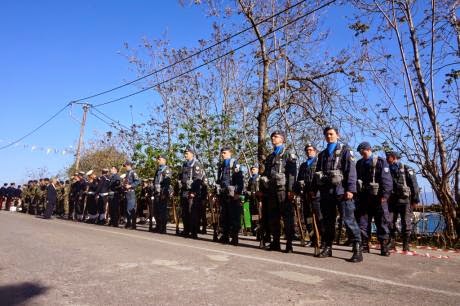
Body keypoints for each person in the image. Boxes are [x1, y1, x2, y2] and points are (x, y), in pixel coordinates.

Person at [314, 126, 362, 262]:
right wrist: (314, 189)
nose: (329, 136)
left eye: (331, 134)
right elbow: (318, 173)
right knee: (328, 221)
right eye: (326, 135)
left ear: (337, 135)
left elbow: (351, 172)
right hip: (326, 193)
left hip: (342, 191)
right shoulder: (322, 154)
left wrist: (351, 190)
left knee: (348, 220)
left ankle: (358, 248)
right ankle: (328, 247)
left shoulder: (346, 151)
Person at [260, 130, 297, 253]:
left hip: (283, 189)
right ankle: (275, 242)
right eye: (272, 137)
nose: (273, 139)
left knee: (287, 217)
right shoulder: (270, 156)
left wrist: (291, 190)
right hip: (271, 190)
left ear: (282, 139)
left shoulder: (287, 153)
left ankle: (289, 243)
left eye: (276, 137)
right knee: (273, 217)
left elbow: (292, 173)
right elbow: (265, 173)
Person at [355, 142, 393, 256]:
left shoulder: (380, 161)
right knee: (363, 222)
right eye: (361, 152)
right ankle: (365, 245)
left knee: (381, 221)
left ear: (369, 149)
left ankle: (384, 246)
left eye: (364, 150)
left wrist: (385, 196)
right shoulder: (359, 163)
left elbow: (387, 180)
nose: (362, 153)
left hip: (378, 198)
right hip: (364, 198)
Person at [386, 151, 420, 251]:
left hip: (405, 201)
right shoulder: (387, 169)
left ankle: (406, 244)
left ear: (393, 157)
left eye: (388, 157)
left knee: (406, 222)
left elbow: (414, 185)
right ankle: (391, 242)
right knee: (390, 221)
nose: (387, 158)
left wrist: (415, 200)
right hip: (392, 200)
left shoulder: (406, 168)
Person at [295, 143, 322, 249]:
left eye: (311, 150)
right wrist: (295, 192)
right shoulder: (303, 165)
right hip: (305, 195)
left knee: (319, 217)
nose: (309, 152)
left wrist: (315, 190)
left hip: (317, 195)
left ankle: (321, 238)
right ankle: (313, 238)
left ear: (315, 151)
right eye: (307, 150)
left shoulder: (319, 163)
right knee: (308, 218)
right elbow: (298, 180)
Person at [216, 146, 244, 245]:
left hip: (232, 193)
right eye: (222, 153)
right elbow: (219, 180)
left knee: (234, 216)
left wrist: (238, 192)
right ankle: (225, 236)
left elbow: (240, 179)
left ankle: (235, 237)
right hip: (223, 193)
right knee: (225, 215)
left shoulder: (234, 164)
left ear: (230, 153)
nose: (222, 154)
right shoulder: (221, 165)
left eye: (224, 153)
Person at [178, 147, 206, 239]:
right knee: (185, 212)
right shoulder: (184, 164)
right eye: (185, 153)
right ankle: (186, 230)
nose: (185, 155)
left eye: (187, 153)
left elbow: (197, 179)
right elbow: (181, 177)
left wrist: (194, 192)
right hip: (184, 191)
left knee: (192, 212)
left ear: (192, 154)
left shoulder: (196, 164)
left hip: (192, 192)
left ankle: (194, 231)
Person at [152, 155, 172, 234]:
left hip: (162, 193)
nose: (158, 161)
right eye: (158, 159)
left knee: (162, 211)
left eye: (159, 159)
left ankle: (163, 228)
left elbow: (167, 182)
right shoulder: (158, 170)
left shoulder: (167, 169)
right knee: (156, 210)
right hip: (157, 192)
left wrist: (164, 193)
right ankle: (158, 226)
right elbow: (155, 181)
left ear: (164, 160)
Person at [123, 161, 140, 229]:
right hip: (127, 192)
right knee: (127, 209)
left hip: (131, 192)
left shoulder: (133, 172)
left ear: (129, 165)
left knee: (131, 209)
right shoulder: (127, 173)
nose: (125, 167)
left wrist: (130, 186)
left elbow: (138, 181)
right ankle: (128, 223)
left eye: (126, 166)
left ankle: (133, 224)